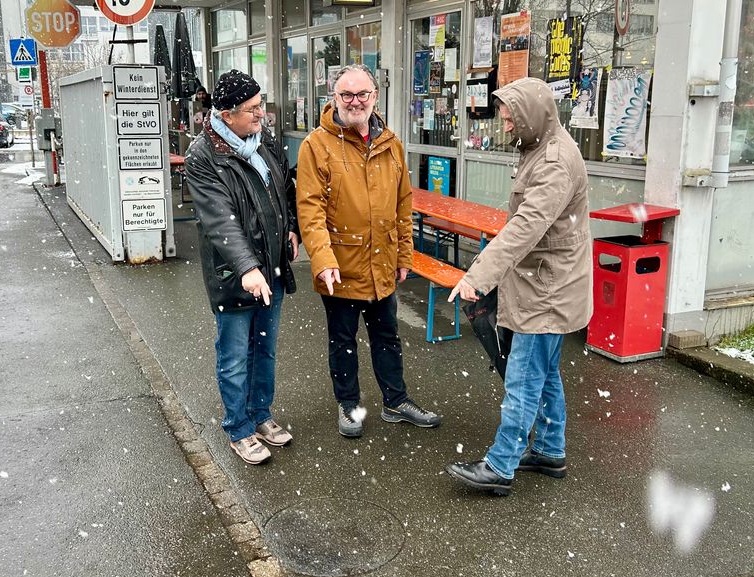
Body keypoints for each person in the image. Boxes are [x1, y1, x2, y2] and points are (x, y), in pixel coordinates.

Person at [445, 77, 593, 496]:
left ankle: (501, 464)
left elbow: (526, 226)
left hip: (546, 289)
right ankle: (548, 449)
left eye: (511, 119)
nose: (506, 126)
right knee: (543, 374)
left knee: (523, 378)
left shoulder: (554, 161)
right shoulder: (541, 147)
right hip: (546, 282)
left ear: (532, 116)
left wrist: (477, 276)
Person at [297, 64, 441, 438]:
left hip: (382, 262)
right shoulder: (316, 145)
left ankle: (396, 401)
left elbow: (403, 205)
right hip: (341, 266)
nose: (355, 101)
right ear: (334, 98)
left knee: (387, 336)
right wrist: (322, 260)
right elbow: (310, 209)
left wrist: (404, 255)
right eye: (346, 94)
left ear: (375, 97)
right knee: (343, 341)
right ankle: (349, 406)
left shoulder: (390, 143)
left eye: (362, 94)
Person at [185, 70, 300, 465]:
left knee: (264, 350)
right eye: (252, 109)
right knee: (235, 356)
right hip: (234, 275)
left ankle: (261, 414)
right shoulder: (203, 156)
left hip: (273, 268)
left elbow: (285, 188)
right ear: (227, 114)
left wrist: (292, 228)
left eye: (260, 105)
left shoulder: (264, 141)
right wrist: (247, 267)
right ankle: (238, 427)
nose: (260, 114)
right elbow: (219, 219)